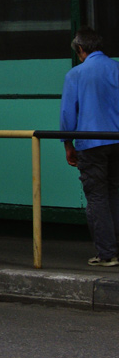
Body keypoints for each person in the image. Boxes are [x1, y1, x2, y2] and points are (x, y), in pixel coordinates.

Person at [59, 27, 119, 267]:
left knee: (96, 197)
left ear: (81, 50)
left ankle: (107, 253)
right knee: (115, 192)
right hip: (118, 140)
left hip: (91, 143)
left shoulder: (75, 74)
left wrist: (67, 144)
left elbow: (67, 113)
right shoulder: (117, 68)